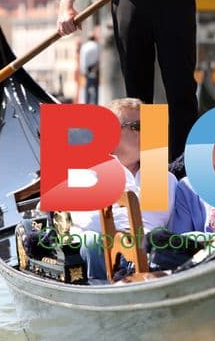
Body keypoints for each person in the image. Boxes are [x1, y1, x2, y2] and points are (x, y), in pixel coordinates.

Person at [57, 0, 199, 162]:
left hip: (174, 1)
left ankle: (184, 174)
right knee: (138, 101)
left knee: (181, 94)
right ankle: (150, 175)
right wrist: (66, 4)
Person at [68, 98, 178, 281]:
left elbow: (159, 220)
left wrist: (120, 211)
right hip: (104, 256)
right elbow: (89, 221)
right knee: (91, 240)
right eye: (137, 126)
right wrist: (134, 217)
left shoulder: (164, 176)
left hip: (152, 257)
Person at [80, 32, 99, 104]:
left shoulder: (84, 47)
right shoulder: (96, 46)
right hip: (95, 69)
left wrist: (84, 71)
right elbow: (98, 59)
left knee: (87, 89)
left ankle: (87, 105)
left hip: (87, 70)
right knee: (95, 90)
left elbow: (83, 59)